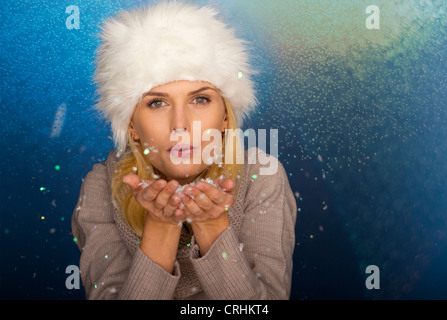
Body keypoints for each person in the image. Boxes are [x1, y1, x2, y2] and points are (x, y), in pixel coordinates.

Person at [71, 1, 297, 300]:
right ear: (132, 126)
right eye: (157, 103)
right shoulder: (104, 184)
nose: (180, 125)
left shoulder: (261, 174)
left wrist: (213, 227)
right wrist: (161, 229)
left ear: (225, 116)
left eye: (200, 100)